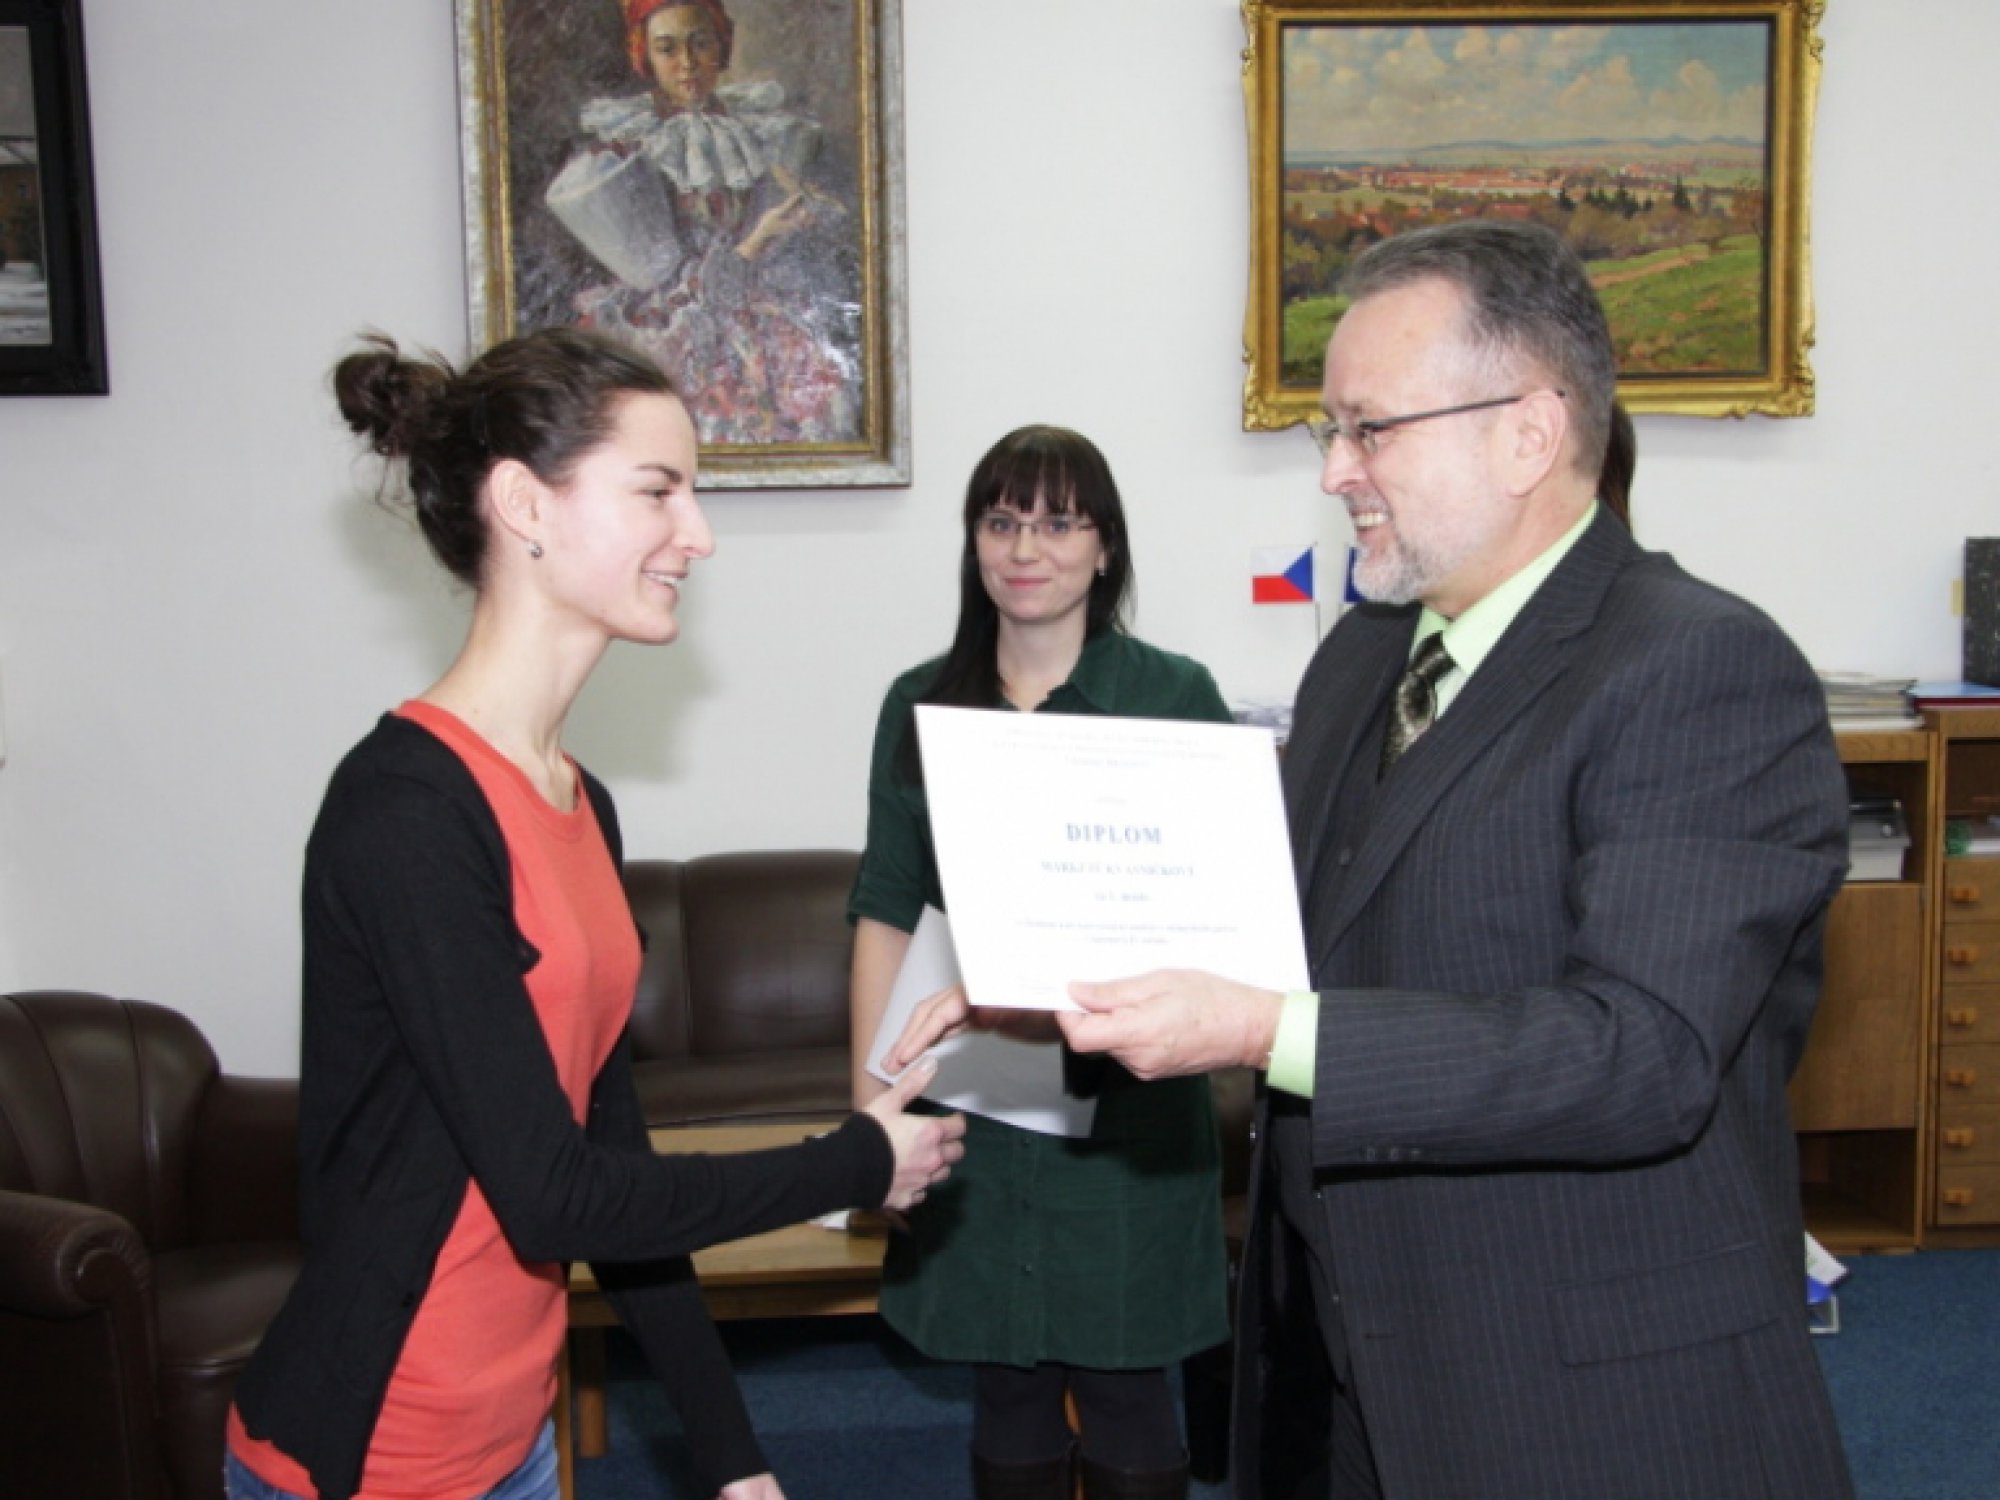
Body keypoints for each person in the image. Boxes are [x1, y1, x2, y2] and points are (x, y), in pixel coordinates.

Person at [1012, 222, 1855, 1497]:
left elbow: (1639, 1053)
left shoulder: (1697, 666)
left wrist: (1257, 1029)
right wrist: (1046, 957)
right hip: (1347, 1375)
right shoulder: (1361, 657)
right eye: (1330, 431)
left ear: (1526, 434)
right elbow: (1277, 930)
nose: (1333, 471)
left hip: (1590, 1402)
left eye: (1370, 429)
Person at [225, 326, 963, 1500]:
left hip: (515, 1444)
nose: (698, 535)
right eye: (658, 491)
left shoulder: (578, 800)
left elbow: (612, 1154)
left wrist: (728, 1455)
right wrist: (853, 1161)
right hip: (376, 1458)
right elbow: (553, 1197)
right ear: (525, 504)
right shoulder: (405, 811)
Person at [850, 426, 1231, 1500]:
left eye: (1059, 522)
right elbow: (885, 907)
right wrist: (869, 1110)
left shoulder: (1174, 695)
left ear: (1105, 547)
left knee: (1128, 1389)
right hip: (969, 1099)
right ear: (972, 540)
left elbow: (1213, 911)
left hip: (1128, 1113)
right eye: (1001, 520)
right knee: (1002, 1384)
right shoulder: (918, 701)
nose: (1026, 548)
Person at [546, 0, 859, 447]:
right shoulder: (625, 149)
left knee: (820, 396)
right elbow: (658, 279)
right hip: (676, 322)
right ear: (644, 54)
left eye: (700, 44)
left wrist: (806, 214)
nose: (687, 63)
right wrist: (756, 242)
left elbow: (786, 222)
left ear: (722, 45)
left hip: (758, 304)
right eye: (667, 49)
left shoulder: (757, 129)